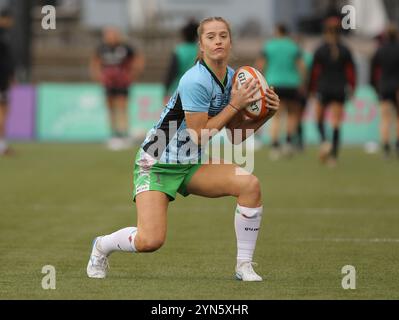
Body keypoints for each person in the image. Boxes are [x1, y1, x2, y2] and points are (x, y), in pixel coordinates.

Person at [87, 17, 280, 282]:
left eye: (223, 35)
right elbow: (200, 136)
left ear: (231, 41)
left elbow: (235, 136)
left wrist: (267, 114)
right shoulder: (194, 80)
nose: (218, 41)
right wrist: (235, 105)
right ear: (201, 44)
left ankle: (244, 266)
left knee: (250, 185)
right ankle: (102, 245)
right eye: (211, 37)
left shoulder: (234, 78)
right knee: (150, 240)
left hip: (192, 162)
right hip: (156, 161)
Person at [308, 17, 356, 167]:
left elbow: (314, 72)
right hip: (339, 88)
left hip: (323, 88)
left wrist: (311, 88)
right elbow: (351, 72)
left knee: (319, 118)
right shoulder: (345, 49)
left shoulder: (320, 50)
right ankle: (333, 155)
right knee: (336, 122)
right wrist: (352, 87)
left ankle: (324, 142)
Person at [255, 24, 305, 160]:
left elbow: (260, 65)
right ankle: (288, 142)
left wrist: (260, 82)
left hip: (274, 83)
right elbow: (302, 66)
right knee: (292, 114)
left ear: (277, 32)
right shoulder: (293, 46)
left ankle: (275, 146)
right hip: (292, 84)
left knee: (276, 116)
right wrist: (302, 82)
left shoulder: (269, 46)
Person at [90, 27, 145, 151]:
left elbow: (138, 58)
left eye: (112, 35)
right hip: (108, 83)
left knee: (122, 107)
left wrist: (134, 72)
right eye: (107, 35)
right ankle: (113, 133)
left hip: (122, 82)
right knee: (110, 108)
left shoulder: (125, 48)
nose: (109, 37)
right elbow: (95, 61)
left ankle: (123, 133)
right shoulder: (102, 48)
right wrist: (97, 74)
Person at [371, 24, 399, 159]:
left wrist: (374, 86)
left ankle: (386, 149)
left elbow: (373, 70)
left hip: (384, 86)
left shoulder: (380, 50)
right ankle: (398, 146)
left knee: (385, 119)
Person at [164, 19, 199, 99]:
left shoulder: (179, 50)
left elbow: (172, 72)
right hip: (196, 89)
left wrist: (166, 89)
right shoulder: (200, 50)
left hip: (178, 89)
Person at [0, 9, 14, 156]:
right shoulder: (3, 35)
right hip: (2, 79)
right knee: (3, 111)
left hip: (4, 78)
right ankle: (2, 145)